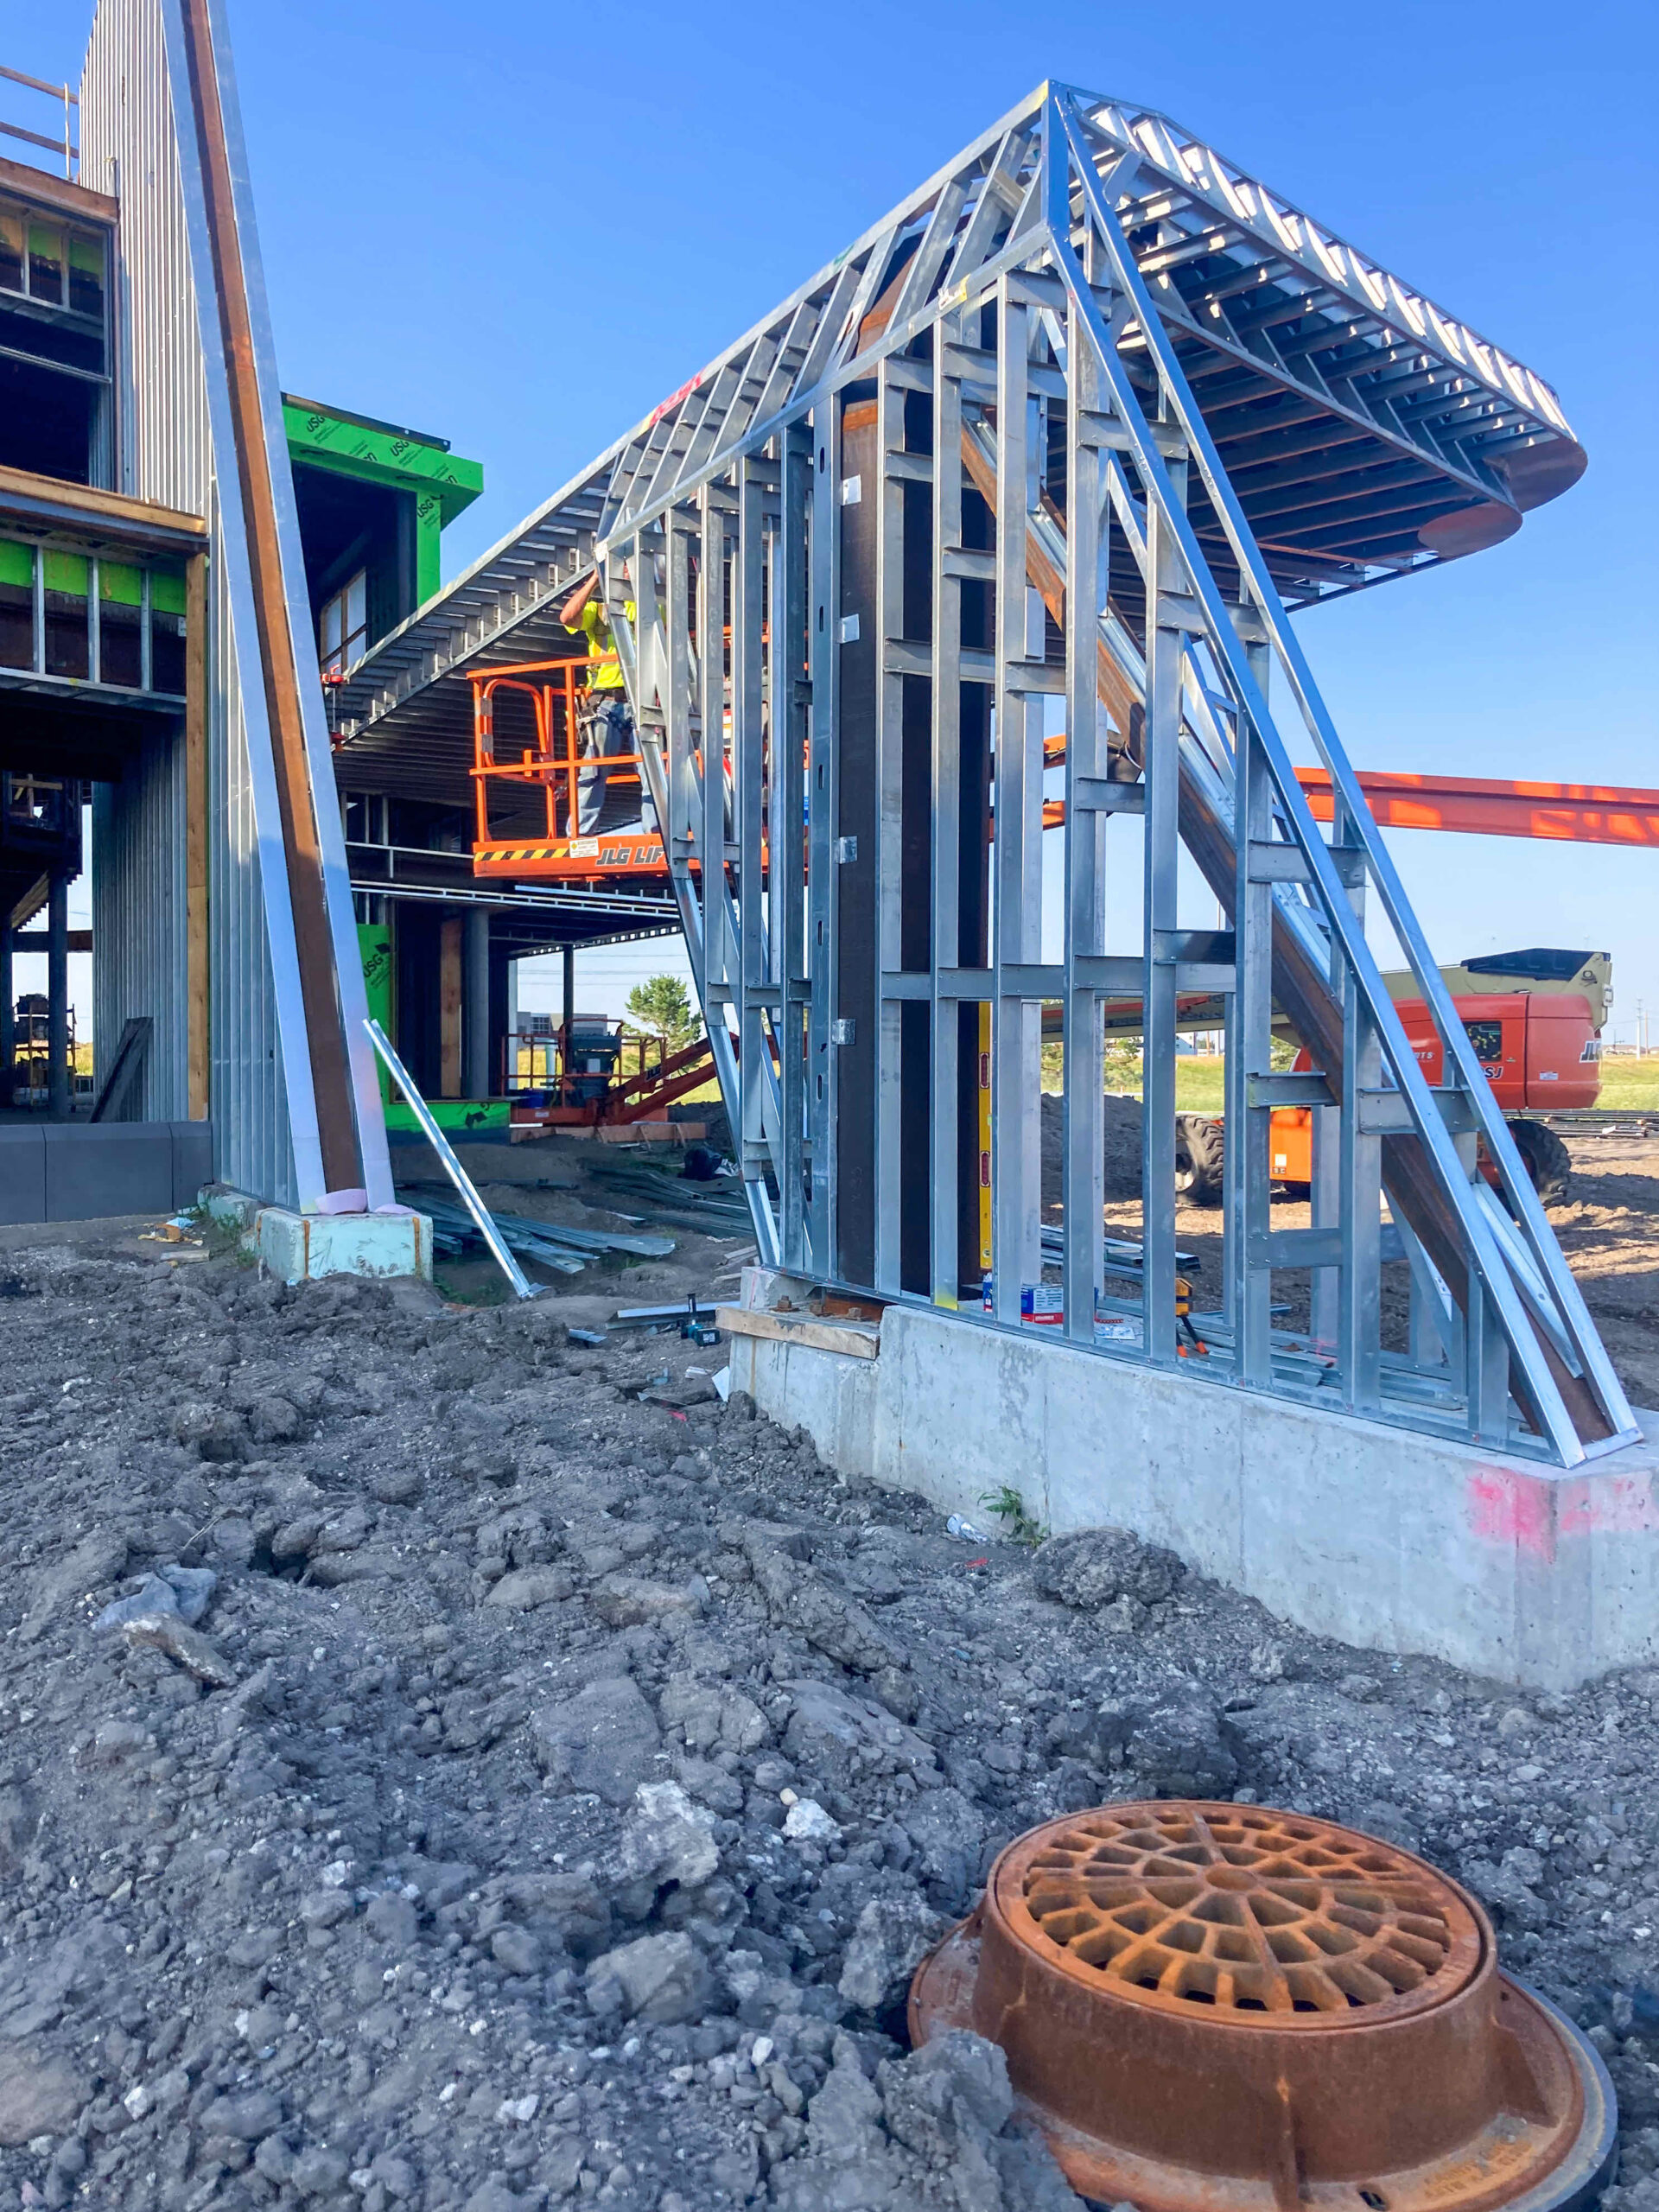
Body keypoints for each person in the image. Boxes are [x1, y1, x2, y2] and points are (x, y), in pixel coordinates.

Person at [558, 571, 649, 835]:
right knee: (594, 769)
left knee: (652, 768)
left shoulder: (649, 607)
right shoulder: (597, 611)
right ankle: (580, 832)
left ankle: (657, 830)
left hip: (642, 699)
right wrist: (593, 581)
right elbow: (567, 617)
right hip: (606, 701)